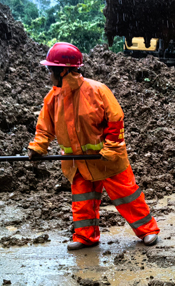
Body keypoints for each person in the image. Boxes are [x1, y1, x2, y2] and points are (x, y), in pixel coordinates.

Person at [28, 42, 160, 251]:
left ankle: (148, 230)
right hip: (78, 163)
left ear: (64, 70)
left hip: (107, 159)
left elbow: (115, 120)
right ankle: (86, 236)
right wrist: (37, 147)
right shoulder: (53, 98)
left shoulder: (97, 90)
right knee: (83, 200)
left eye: (51, 69)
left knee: (128, 196)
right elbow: (45, 128)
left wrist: (111, 148)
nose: (49, 74)